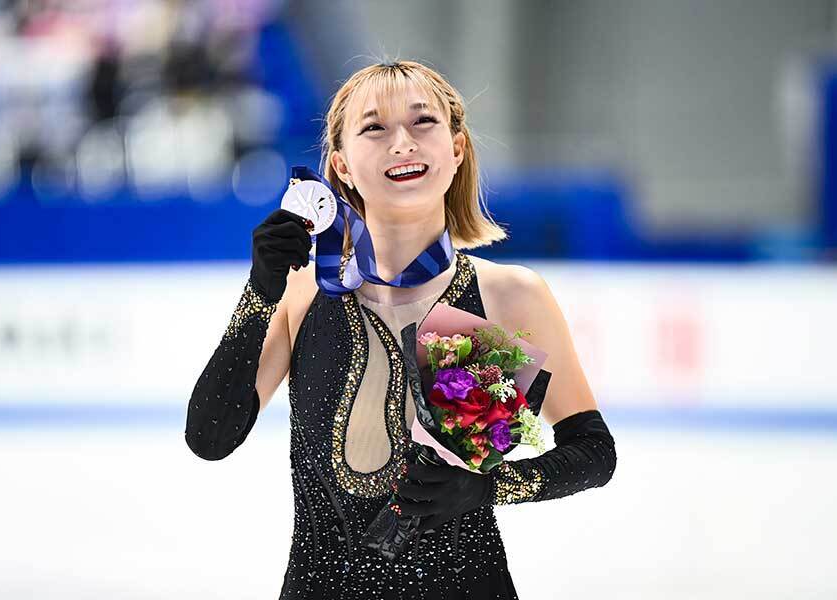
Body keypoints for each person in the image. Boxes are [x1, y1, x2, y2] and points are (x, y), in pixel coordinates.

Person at [184, 59, 617, 600]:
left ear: (456, 149)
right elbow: (209, 438)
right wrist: (259, 293)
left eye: (423, 123)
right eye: (375, 128)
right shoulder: (306, 291)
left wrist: (490, 488)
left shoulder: (511, 297)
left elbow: (594, 452)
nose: (402, 143)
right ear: (340, 166)